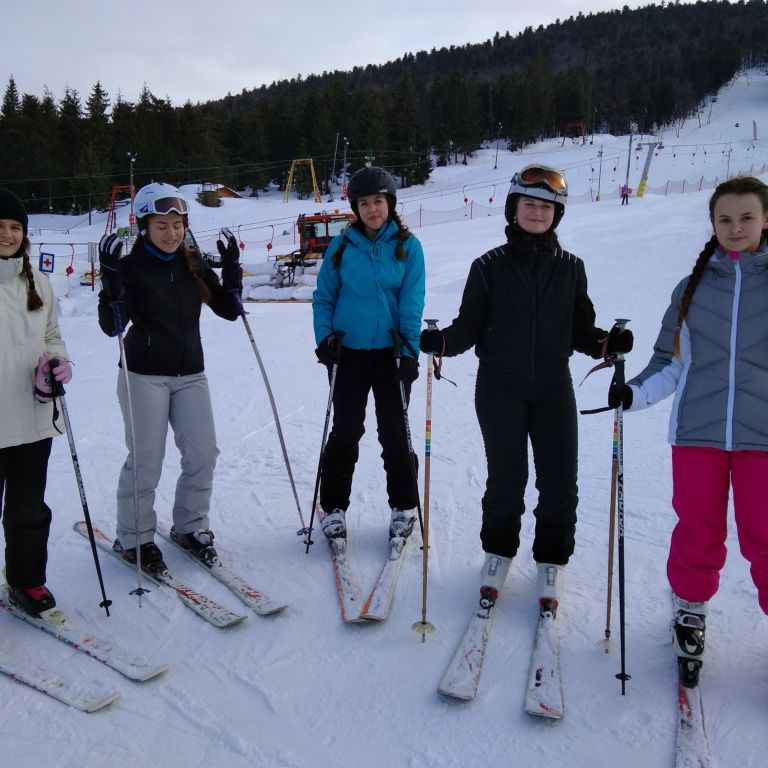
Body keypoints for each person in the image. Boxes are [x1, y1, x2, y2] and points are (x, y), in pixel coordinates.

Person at [419, 164, 633, 606]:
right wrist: (443, 341)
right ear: (513, 208)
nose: (537, 213)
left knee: (560, 479)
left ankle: (551, 560)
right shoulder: (488, 266)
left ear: (557, 214)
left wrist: (607, 343)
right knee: (507, 477)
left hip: (553, 387)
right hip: (499, 388)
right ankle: (498, 553)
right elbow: (469, 326)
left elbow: (580, 330)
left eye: (546, 207)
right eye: (529, 204)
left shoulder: (571, 268)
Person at [609, 176, 768, 678]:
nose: (736, 228)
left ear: (766, 219)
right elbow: (669, 362)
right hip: (697, 434)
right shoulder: (692, 288)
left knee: (764, 535)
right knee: (698, 529)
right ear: (713, 224)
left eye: (746, 217)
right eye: (725, 219)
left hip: (763, 439)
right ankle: (690, 610)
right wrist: (633, 393)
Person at [97, 182, 242, 574]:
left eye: (177, 224)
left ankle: (190, 526)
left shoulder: (192, 263)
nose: (171, 233)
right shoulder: (131, 268)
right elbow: (112, 327)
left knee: (203, 453)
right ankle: (134, 538)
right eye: (161, 225)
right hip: (143, 374)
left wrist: (231, 268)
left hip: (190, 372)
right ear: (144, 226)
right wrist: (111, 280)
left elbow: (230, 310)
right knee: (146, 459)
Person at [313, 166, 426, 548]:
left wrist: (409, 353)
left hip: (391, 354)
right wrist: (326, 338)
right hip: (348, 354)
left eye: (378, 201)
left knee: (395, 432)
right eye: (364, 203)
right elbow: (324, 298)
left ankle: (404, 506)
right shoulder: (341, 247)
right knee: (345, 431)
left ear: (390, 203)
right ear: (355, 208)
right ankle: (333, 507)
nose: (372, 209)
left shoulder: (408, 247)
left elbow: (411, 302)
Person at [0, 189, 73, 617]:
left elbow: (51, 336)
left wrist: (58, 363)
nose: (7, 234)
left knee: (28, 508)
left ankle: (26, 581)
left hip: (32, 416)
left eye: (15, 227)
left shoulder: (38, 283)